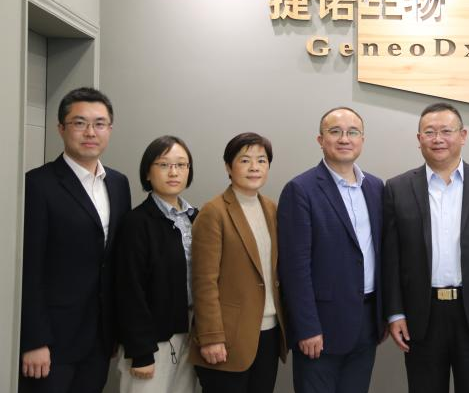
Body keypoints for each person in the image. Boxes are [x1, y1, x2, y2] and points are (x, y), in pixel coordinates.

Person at [383, 102, 469, 393]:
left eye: (446, 131)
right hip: (421, 315)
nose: (438, 138)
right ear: (419, 139)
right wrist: (395, 313)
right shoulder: (397, 188)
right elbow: (391, 258)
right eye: (429, 132)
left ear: (463, 135)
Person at [20, 87, 132, 393]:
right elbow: (29, 267)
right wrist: (34, 340)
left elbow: (115, 262)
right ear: (61, 128)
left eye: (99, 124)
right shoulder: (37, 184)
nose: (90, 132)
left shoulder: (119, 184)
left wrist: (115, 330)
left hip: (99, 339)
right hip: (51, 342)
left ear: (110, 129)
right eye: (79, 123)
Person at [278, 107, 385, 393]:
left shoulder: (375, 187)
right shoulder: (300, 189)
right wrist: (307, 327)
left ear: (362, 139)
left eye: (352, 132)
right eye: (335, 132)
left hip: (367, 323)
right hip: (320, 328)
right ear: (320, 139)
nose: (344, 139)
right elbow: (294, 268)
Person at [190, 133, 287, 393]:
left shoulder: (271, 209)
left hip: (269, 333)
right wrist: (211, 337)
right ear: (228, 167)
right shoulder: (214, 212)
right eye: (245, 160)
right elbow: (203, 281)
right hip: (227, 337)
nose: (254, 167)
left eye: (262, 160)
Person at [115, 136, 198, 393]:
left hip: (191, 333)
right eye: (163, 164)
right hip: (152, 340)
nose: (174, 172)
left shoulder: (197, 218)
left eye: (181, 165)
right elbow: (128, 290)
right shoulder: (136, 222)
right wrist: (140, 351)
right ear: (147, 172)